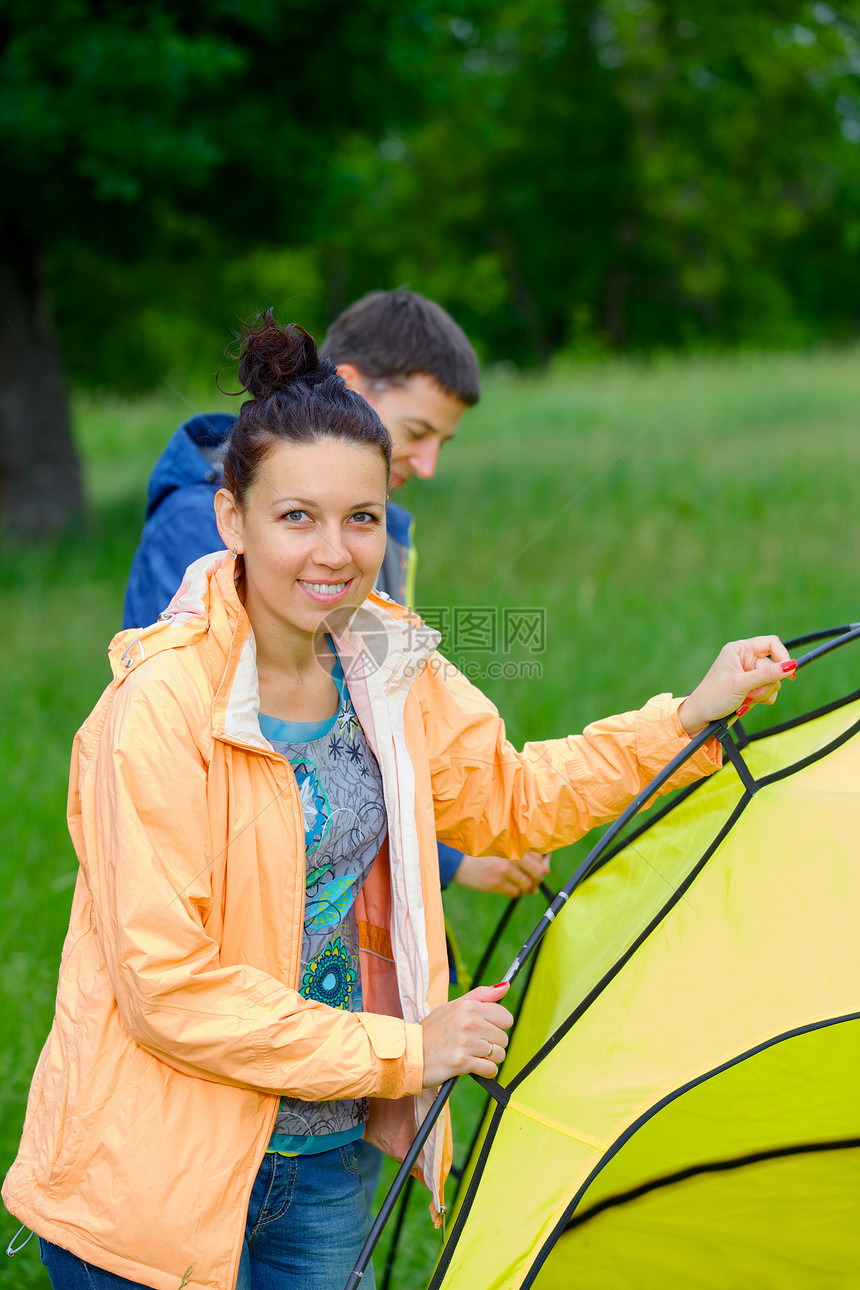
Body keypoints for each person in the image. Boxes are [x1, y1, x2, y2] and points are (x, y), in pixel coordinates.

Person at [3, 315, 794, 1290]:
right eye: (295, 516)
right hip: (155, 1176)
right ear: (229, 518)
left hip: (328, 1167)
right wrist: (406, 1048)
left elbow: (508, 796)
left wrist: (685, 717)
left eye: (362, 518)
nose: (333, 553)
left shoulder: (382, 651)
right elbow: (167, 986)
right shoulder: (158, 706)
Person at [123, 289, 548, 904]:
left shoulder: (384, 536)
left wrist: (463, 838)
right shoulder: (198, 533)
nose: (427, 464)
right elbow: (231, 768)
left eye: (361, 520)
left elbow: (390, 728)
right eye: (418, 431)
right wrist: (452, 857)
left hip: (347, 902)